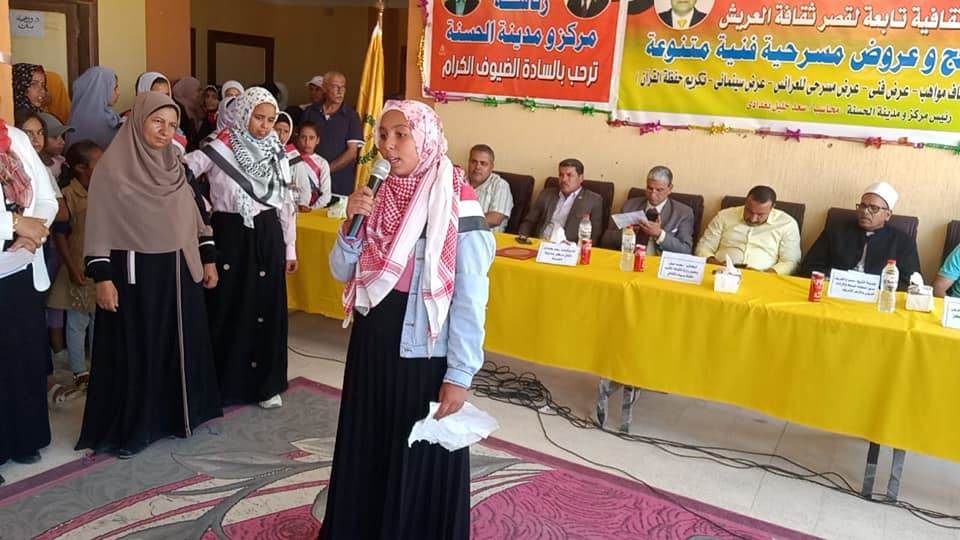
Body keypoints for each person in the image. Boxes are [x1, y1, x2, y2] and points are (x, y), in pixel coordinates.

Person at [322, 99, 494, 540]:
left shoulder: (458, 202)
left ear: (426, 138)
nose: (389, 145)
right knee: (370, 442)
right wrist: (350, 226)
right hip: (373, 340)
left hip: (421, 349)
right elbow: (341, 271)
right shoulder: (376, 195)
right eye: (383, 135)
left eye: (402, 135)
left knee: (415, 450)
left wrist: (459, 375)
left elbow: (471, 298)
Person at [76, 91, 222, 458]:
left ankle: (178, 416)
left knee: (178, 345)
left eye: (172, 125)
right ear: (139, 121)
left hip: (179, 270)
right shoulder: (113, 169)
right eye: (157, 121)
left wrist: (208, 258)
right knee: (141, 349)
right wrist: (103, 279)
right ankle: (139, 426)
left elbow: (197, 213)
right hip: (135, 274)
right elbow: (99, 226)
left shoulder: (176, 165)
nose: (164, 131)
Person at [185, 88, 296, 409]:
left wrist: (290, 247)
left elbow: (286, 202)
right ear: (244, 113)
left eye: (271, 120)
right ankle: (227, 384)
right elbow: (183, 172)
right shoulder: (220, 145)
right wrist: (206, 207)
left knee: (267, 307)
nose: (264, 126)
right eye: (258, 117)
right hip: (230, 233)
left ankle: (266, 385)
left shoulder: (277, 151)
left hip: (268, 233)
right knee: (231, 305)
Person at [0, 106, 58, 481]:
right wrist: (15, 224)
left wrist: (33, 232)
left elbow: (47, 197)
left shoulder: (16, 138)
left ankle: (24, 439)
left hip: (21, 265)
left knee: (22, 356)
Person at [47, 141, 102, 391]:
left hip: (100, 265)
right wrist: (71, 267)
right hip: (78, 264)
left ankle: (99, 364)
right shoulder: (68, 195)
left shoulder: (104, 190)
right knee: (77, 321)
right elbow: (60, 236)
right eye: (98, 162)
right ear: (80, 167)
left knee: (99, 317)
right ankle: (80, 371)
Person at [799, 182, 920, 290]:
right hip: (834, 291)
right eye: (862, 206)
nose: (865, 211)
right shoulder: (835, 231)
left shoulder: (904, 242)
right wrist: (834, 279)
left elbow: (910, 282)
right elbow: (809, 266)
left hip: (877, 298)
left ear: (887, 214)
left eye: (873, 208)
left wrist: (875, 286)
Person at [695, 185, 801, 274]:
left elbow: (790, 261)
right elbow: (703, 248)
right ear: (745, 202)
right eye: (749, 211)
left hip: (763, 278)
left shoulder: (787, 224)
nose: (753, 218)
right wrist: (715, 264)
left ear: (772, 207)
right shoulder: (724, 216)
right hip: (720, 273)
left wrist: (767, 274)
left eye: (760, 214)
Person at [600, 165, 695, 253]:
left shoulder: (683, 213)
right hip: (630, 259)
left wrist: (659, 234)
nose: (653, 195)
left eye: (659, 190)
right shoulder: (630, 205)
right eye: (649, 188)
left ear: (670, 189)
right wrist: (628, 234)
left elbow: (686, 250)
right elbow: (606, 240)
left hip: (658, 263)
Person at [301, 71, 364, 197]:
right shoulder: (310, 111)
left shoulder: (351, 116)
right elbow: (301, 143)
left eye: (343, 87)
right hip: (310, 181)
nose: (340, 91)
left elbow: (352, 152)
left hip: (339, 184)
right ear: (324, 88)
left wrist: (325, 170)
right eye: (335, 87)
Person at [517, 158, 604, 243]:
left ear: (581, 178)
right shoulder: (546, 194)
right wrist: (523, 239)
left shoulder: (593, 200)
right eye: (561, 175)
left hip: (569, 248)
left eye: (569, 175)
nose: (564, 179)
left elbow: (595, 235)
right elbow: (529, 222)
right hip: (541, 243)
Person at [67, 67, 121, 150]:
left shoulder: (75, 116)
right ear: (100, 89)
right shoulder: (103, 121)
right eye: (114, 88)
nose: (118, 93)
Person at [467, 144, 513, 233]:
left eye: (483, 163)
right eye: (473, 162)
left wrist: (461, 223)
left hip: (486, 238)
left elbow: (495, 219)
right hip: (455, 236)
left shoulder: (500, 185)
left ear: (491, 167)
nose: (477, 167)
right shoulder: (459, 180)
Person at [290, 121, 332, 211]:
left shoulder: (322, 163)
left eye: (311, 138)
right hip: (291, 208)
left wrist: (311, 209)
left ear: (317, 140)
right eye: (303, 137)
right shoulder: (290, 157)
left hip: (313, 210)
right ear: (298, 138)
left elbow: (326, 195)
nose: (307, 142)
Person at [39, 112, 73, 181]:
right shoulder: (38, 169)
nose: (63, 142)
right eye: (54, 137)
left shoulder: (61, 161)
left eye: (62, 136)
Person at [173, 77, 205, 151]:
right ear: (188, 91)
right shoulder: (178, 110)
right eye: (197, 90)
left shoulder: (197, 108)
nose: (200, 93)